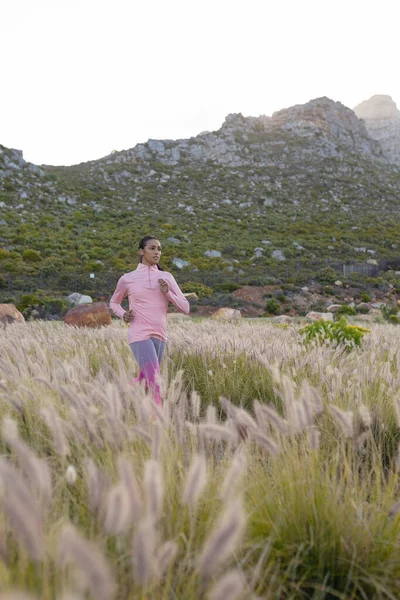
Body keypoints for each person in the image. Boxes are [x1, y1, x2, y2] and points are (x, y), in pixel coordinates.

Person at [109, 235, 190, 405]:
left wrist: (167, 292)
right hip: (139, 334)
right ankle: (157, 423)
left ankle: (113, 394)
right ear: (141, 251)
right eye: (152, 248)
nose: (157, 252)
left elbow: (185, 307)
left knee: (146, 380)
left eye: (159, 249)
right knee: (156, 382)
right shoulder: (127, 278)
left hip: (160, 335)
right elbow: (114, 302)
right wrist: (122, 314)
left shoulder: (166, 277)